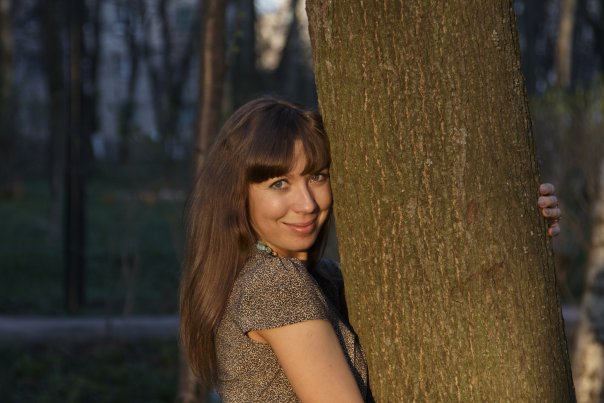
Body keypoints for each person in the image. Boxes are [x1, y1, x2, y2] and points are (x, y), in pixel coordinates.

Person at [179, 97, 561, 402]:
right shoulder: (274, 284)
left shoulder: (318, 278)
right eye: (280, 184)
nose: (307, 203)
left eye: (317, 177)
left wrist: (515, 232)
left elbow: (436, 294)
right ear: (238, 195)